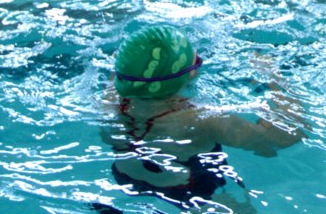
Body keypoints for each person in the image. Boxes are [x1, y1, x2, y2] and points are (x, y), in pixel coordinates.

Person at [100, 25, 304, 211]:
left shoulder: (111, 100)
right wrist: (274, 78)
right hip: (192, 191)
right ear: (190, 75)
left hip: (125, 177)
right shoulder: (203, 119)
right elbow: (284, 138)